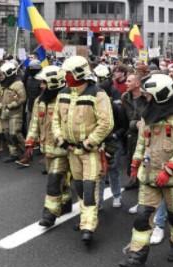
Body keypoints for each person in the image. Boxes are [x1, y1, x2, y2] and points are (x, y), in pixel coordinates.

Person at [119, 74, 173, 267]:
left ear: (161, 95)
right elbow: (143, 142)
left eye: (149, 95)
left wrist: (169, 169)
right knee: (143, 215)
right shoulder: (147, 114)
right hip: (149, 175)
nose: (146, 99)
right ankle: (137, 256)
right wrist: (135, 161)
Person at [52, 56, 114, 244]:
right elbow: (55, 119)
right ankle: (83, 219)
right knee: (78, 185)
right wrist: (60, 138)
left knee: (89, 187)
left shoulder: (97, 94)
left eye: (69, 73)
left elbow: (106, 123)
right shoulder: (63, 93)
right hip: (71, 150)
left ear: (79, 73)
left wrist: (89, 142)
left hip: (90, 151)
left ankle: (88, 225)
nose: (66, 76)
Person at [21, 65, 73, 227]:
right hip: (47, 148)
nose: (41, 86)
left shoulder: (67, 100)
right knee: (59, 177)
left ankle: (50, 213)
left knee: (53, 179)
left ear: (54, 83)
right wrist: (30, 141)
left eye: (44, 83)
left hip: (62, 149)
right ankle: (66, 202)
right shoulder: (40, 101)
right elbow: (35, 122)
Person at [94, 64, 127, 208]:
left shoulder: (115, 107)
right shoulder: (93, 106)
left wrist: (114, 135)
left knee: (113, 170)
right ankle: (99, 201)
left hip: (113, 141)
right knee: (99, 172)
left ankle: (117, 196)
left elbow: (123, 126)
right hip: (99, 141)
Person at [121, 73, 149, 214]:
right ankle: (134, 180)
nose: (126, 83)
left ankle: (144, 200)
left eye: (129, 81)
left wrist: (141, 125)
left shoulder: (147, 97)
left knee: (144, 162)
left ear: (138, 84)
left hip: (145, 134)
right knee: (132, 159)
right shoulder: (125, 97)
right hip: (131, 133)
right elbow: (126, 117)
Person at [0, 61, 27, 163]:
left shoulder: (18, 84)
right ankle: (13, 153)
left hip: (15, 113)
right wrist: (0, 106)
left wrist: (10, 106)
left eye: (3, 74)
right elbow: (3, 98)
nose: (1, 76)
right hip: (5, 113)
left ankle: (27, 153)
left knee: (15, 133)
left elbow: (22, 98)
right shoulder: (5, 84)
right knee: (7, 134)